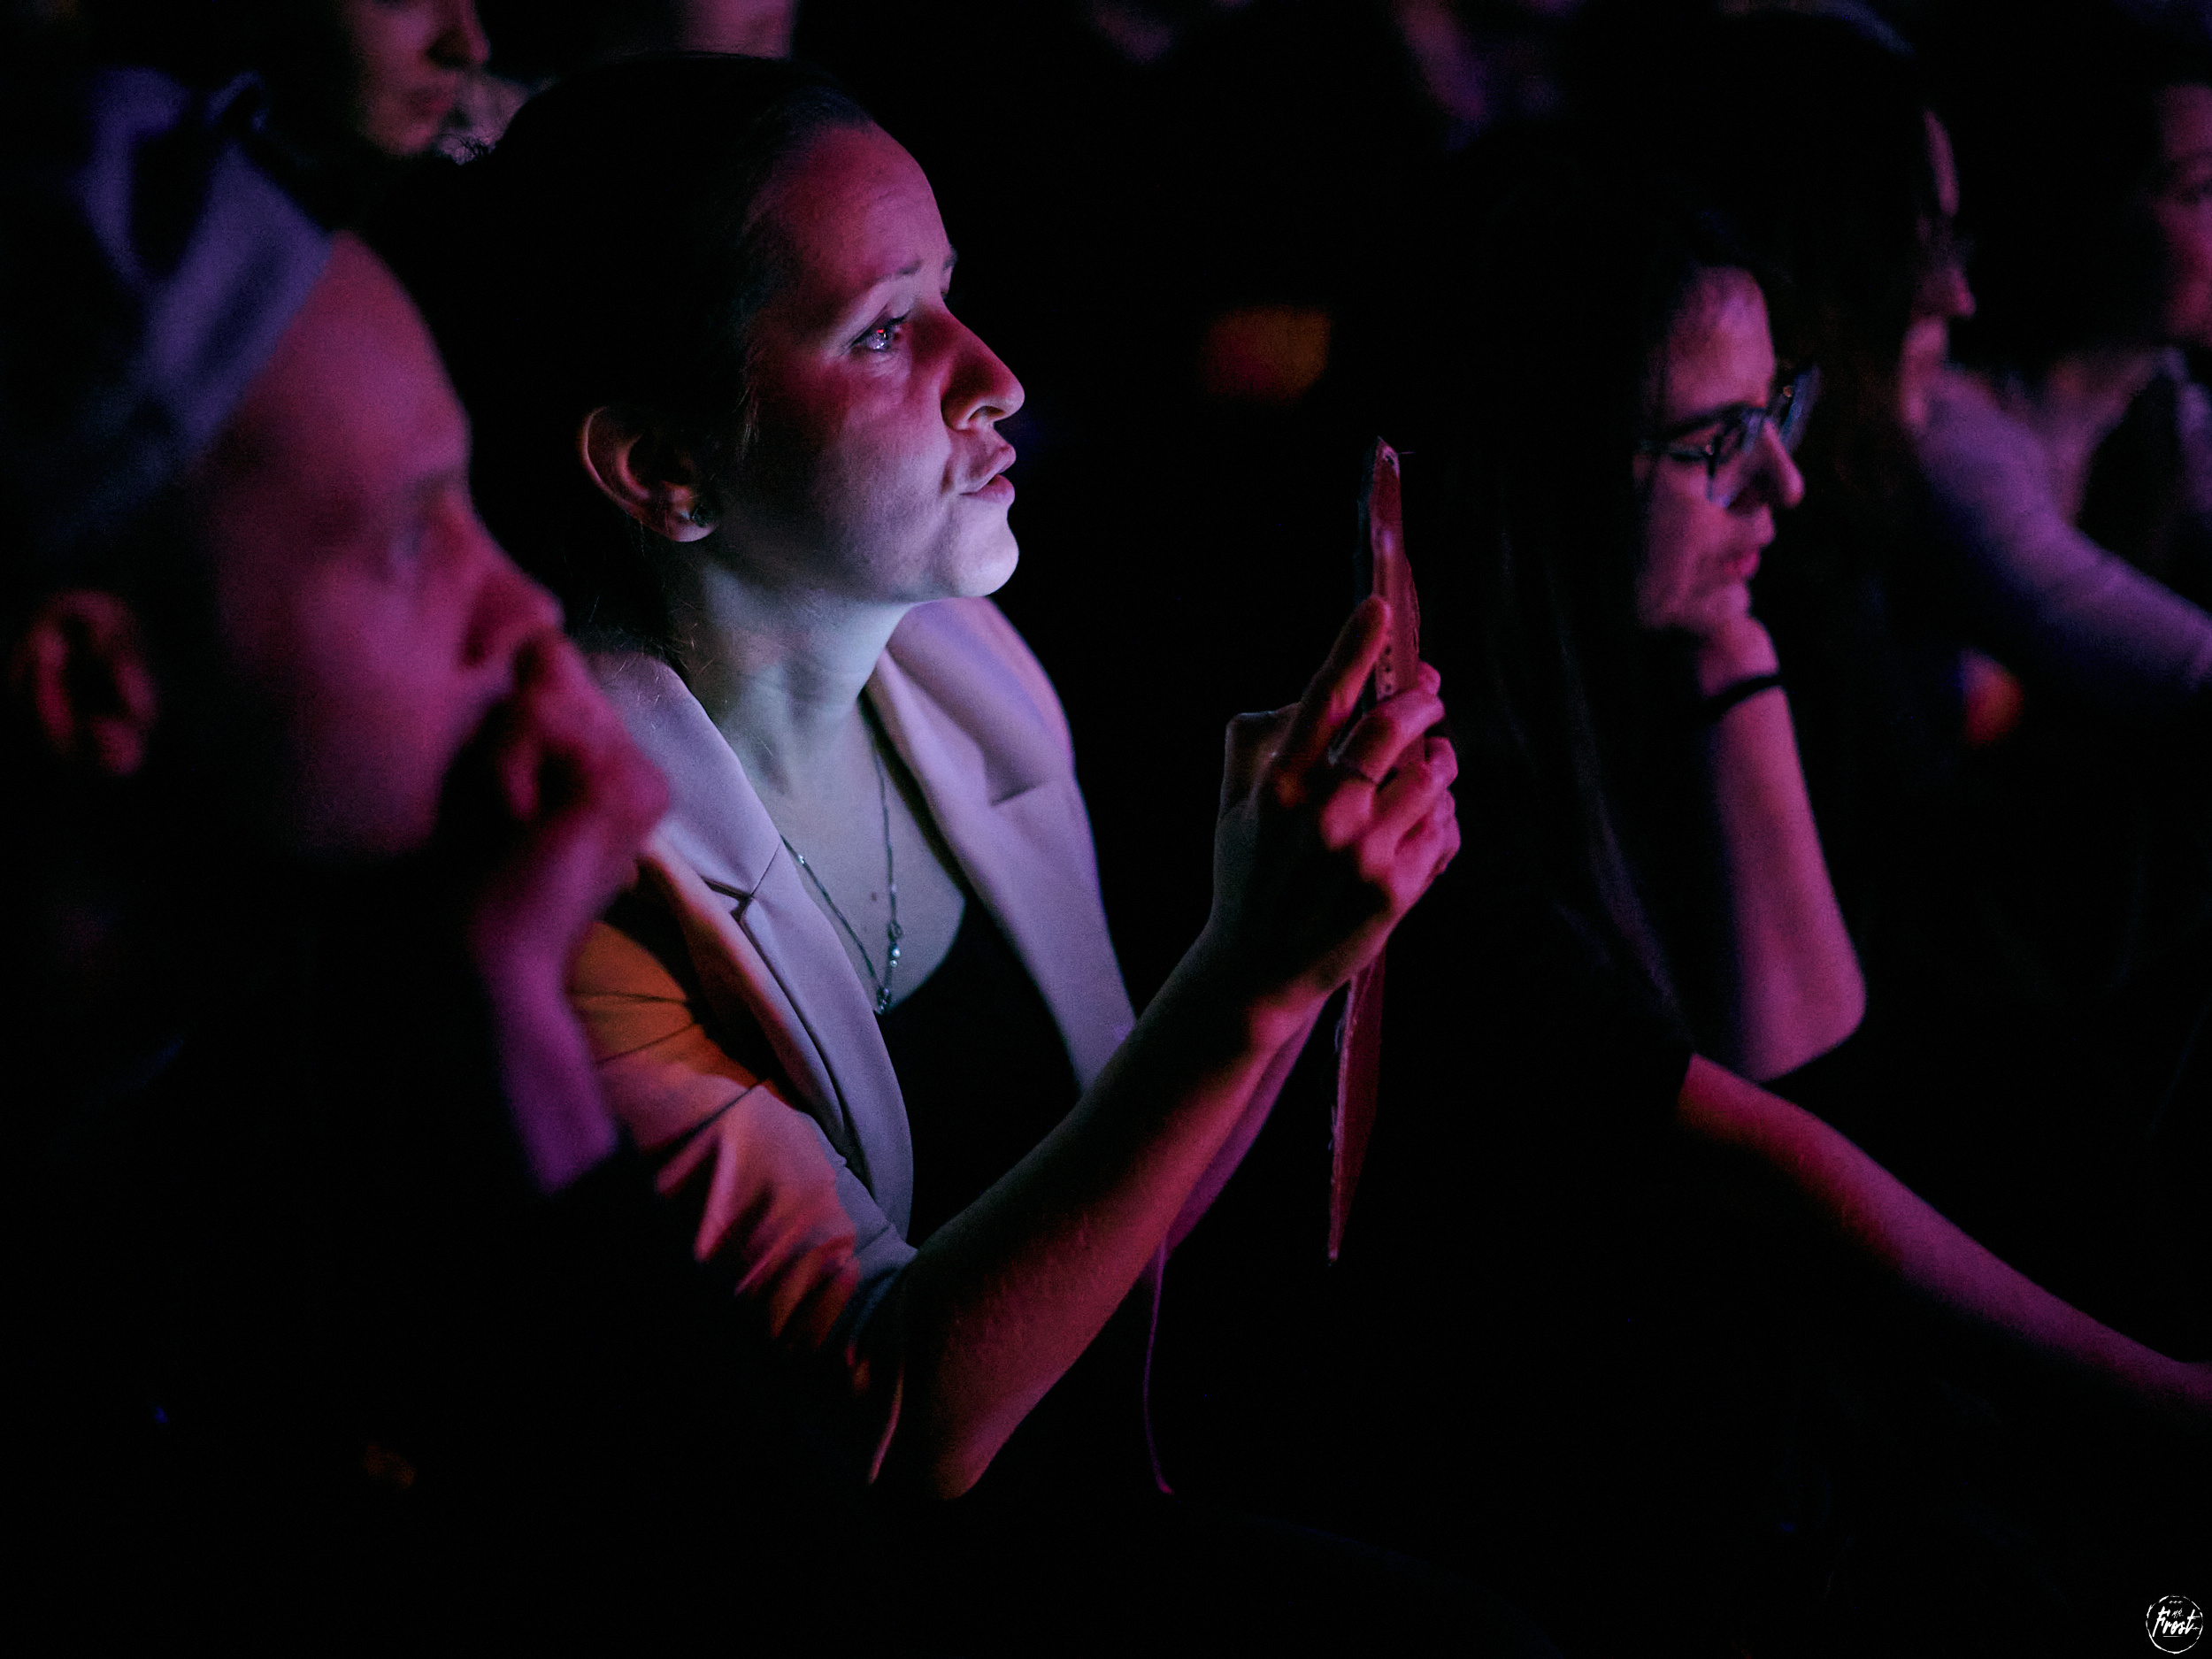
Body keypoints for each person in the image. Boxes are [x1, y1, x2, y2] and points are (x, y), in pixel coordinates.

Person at [380, 52, 1486, 1651]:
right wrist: (1251, 972)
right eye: (888, 330)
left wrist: (1298, 947)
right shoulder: (574, 885)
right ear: (663, 469)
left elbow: (1122, 1200)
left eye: (951, 297)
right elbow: (900, 1417)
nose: (1000, 376)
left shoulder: (965, 675)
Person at [1278, 156, 2212, 1655]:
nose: (1783, 481)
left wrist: (1724, 640)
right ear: (1549, 457)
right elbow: (1785, 1155)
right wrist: (2167, 1405)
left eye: (1780, 415)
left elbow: (1816, 1049)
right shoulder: (1430, 778)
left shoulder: (1624, 655)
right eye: (1719, 440)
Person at [0, 55, 871, 1638]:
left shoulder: (288, 1026)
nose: (524, 612)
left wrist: (491, 1010)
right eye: (409, 537)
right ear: (87, 682)